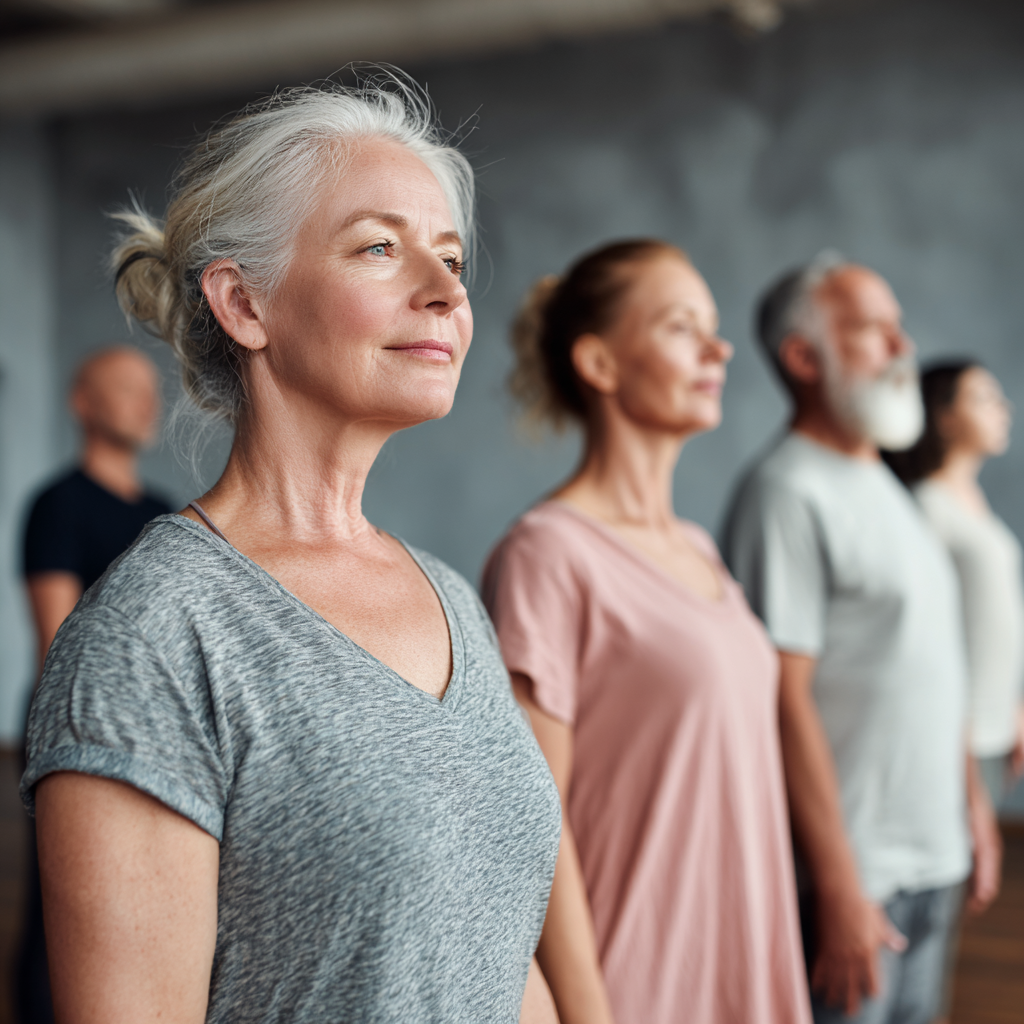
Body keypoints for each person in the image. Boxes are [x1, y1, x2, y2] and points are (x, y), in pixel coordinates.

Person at [20, 79, 561, 1024]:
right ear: (243, 302)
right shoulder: (155, 637)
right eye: (380, 249)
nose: (443, 292)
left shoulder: (449, 599)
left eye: (453, 259)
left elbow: (496, 948)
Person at [482, 239, 813, 1024]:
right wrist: (586, 1012)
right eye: (679, 326)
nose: (718, 346)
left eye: (714, 325)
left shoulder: (700, 548)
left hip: (743, 968)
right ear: (599, 363)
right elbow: (534, 824)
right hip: (635, 987)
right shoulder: (547, 554)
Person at [723, 256, 1002, 1024]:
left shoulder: (884, 486)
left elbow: (930, 666)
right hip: (856, 881)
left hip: (931, 859)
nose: (902, 347)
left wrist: (970, 806)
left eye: (897, 326)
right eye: (874, 331)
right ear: (804, 358)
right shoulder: (785, 491)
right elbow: (782, 700)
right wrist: (839, 886)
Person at [16, 345, 169, 1024]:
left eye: (150, 387)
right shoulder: (57, 505)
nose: (147, 401)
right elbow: (58, 646)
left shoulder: (168, 518)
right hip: (83, 732)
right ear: (83, 403)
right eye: (125, 387)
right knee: (65, 909)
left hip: (162, 735)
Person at [885, 361, 1024, 806]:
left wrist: (1013, 708)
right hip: (956, 734)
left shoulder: (973, 503)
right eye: (984, 399)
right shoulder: (927, 508)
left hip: (991, 726)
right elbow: (928, 635)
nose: (1004, 409)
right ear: (944, 418)